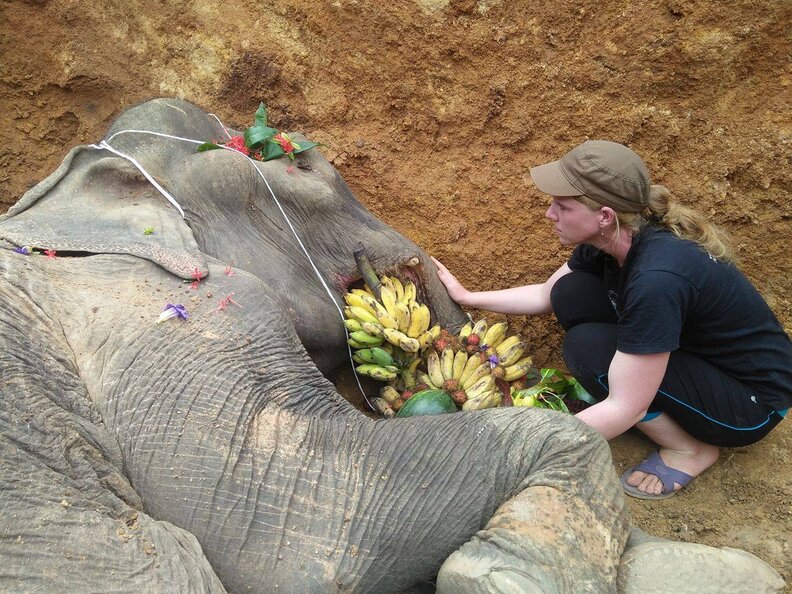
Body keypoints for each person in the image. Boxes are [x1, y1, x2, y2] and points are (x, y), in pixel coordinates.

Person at [433, 140, 792, 499]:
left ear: (604, 215)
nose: (549, 214)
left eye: (562, 206)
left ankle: (690, 449)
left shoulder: (657, 278)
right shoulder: (616, 235)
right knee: (571, 292)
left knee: (589, 352)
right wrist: (467, 297)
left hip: (751, 402)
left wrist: (513, 453)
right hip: (699, 355)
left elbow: (625, 406)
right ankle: (647, 390)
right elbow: (547, 293)